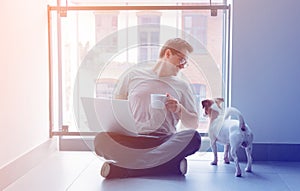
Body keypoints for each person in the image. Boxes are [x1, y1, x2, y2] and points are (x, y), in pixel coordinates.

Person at [94, 38, 201, 179]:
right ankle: (168, 166)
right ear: (168, 53)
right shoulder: (133, 76)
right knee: (100, 140)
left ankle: (128, 169)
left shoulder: (182, 86)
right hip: (133, 140)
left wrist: (179, 108)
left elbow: (193, 124)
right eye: (181, 60)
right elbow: (117, 108)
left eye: (185, 63)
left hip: (164, 141)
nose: (182, 66)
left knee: (194, 138)